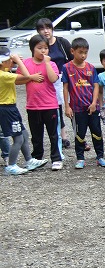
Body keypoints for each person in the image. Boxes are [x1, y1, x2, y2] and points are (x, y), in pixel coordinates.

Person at [61, 38, 105, 168]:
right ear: (72, 51)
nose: (83, 55)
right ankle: (80, 158)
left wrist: (94, 103)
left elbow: (96, 86)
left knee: (97, 132)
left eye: (85, 52)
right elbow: (65, 87)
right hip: (77, 108)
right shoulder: (67, 68)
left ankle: (100, 157)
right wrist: (67, 106)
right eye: (80, 52)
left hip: (92, 107)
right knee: (79, 133)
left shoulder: (91, 68)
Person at [0, 47, 47, 175]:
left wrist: (14, 62)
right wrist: (19, 62)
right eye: (9, 60)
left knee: (24, 134)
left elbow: (12, 71)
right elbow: (26, 76)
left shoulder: (3, 71)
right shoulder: (4, 75)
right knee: (18, 139)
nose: (11, 61)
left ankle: (29, 160)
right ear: (2, 62)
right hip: (6, 109)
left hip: (11, 108)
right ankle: (11, 165)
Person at [19, 35, 62, 170]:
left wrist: (47, 63)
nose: (43, 51)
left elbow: (53, 78)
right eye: (39, 48)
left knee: (53, 134)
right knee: (36, 135)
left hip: (50, 105)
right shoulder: (26, 63)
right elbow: (17, 80)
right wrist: (30, 78)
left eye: (45, 48)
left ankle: (56, 158)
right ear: (32, 49)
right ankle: (37, 157)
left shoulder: (52, 64)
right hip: (32, 105)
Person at [36, 18, 72, 150]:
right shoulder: (40, 46)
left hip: (65, 79)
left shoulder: (62, 42)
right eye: (42, 29)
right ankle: (63, 137)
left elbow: (72, 60)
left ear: (52, 29)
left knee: (71, 106)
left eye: (48, 28)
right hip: (49, 80)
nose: (45, 31)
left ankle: (80, 137)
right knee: (56, 108)